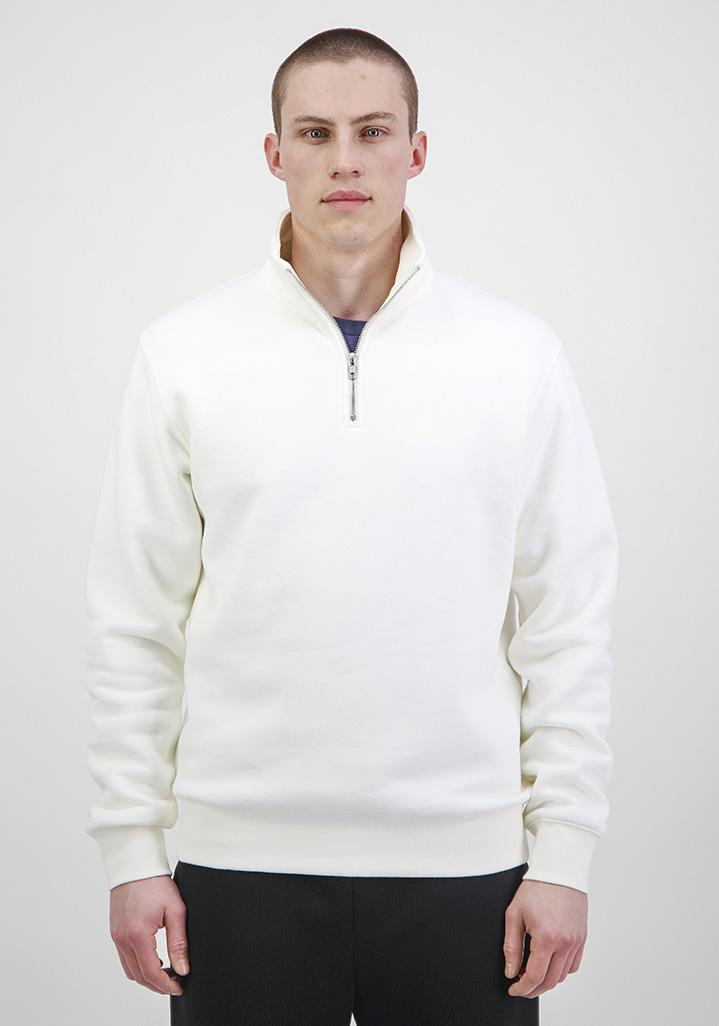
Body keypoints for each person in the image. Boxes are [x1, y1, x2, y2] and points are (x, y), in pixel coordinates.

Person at [84, 26, 618, 1026]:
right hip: (236, 868)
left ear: (415, 151)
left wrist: (563, 858)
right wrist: (130, 851)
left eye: (372, 132)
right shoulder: (183, 354)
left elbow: (566, 620)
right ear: (273, 153)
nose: (344, 161)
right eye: (314, 132)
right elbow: (135, 621)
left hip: (468, 867)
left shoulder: (516, 356)